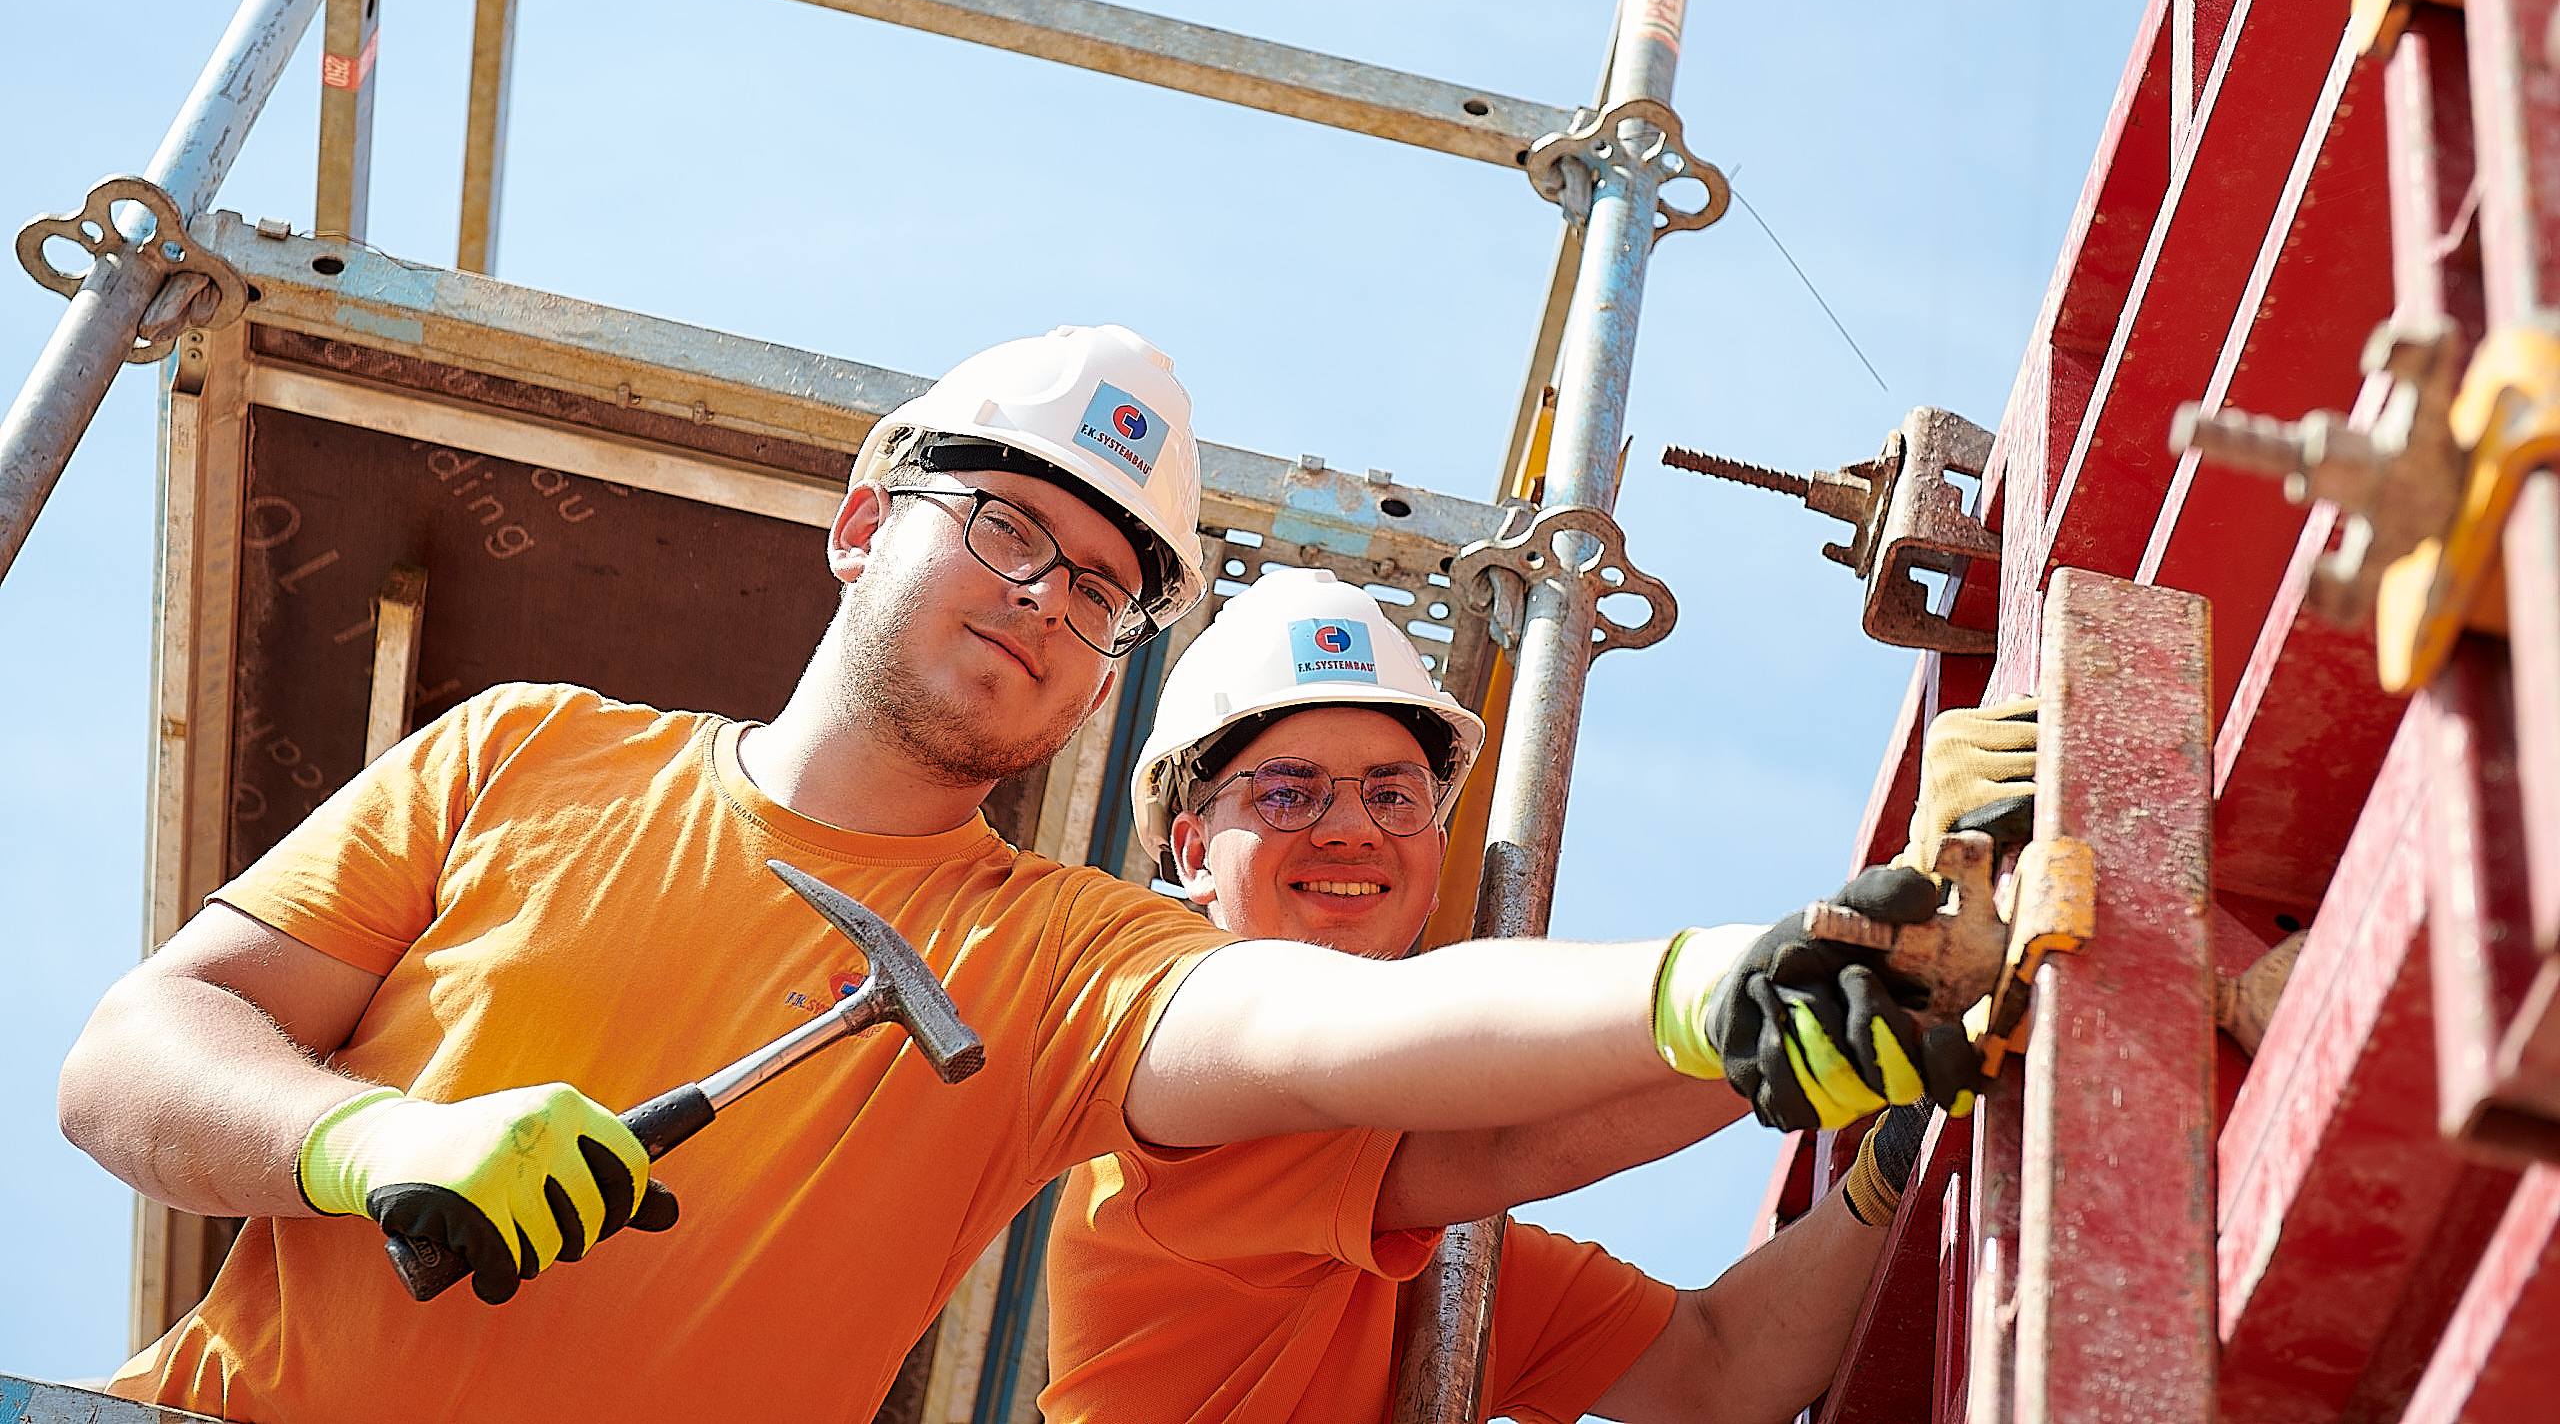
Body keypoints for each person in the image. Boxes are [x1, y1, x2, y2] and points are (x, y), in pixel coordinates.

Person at [57, 325, 1971, 1423]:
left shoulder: (1056, 955)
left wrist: (1719, 985)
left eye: (1110, 586)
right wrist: (372, 1147)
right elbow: (135, 1056)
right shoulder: (528, 749)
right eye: (1008, 528)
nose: (1052, 603)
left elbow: (1328, 1037)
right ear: (862, 520)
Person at [1041, 569, 2022, 1424]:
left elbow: (1719, 1370)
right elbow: (1504, 1136)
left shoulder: (1414, 1264)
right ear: (1191, 854)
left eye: (1393, 794)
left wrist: (1892, 1164)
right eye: (1289, 793)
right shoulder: (1170, 1127)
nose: (1352, 829)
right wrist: (1872, 942)